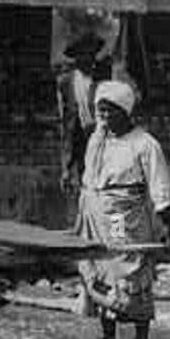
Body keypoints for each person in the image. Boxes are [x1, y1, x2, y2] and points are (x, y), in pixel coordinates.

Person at [74, 80, 170, 339]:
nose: (103, 115)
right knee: (99, 272)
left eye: (109, 109)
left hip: (122, 219)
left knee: (125, 271)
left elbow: (161, 189)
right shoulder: (97, 139)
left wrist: (169, 229)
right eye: (100, 109)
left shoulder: (144, 144)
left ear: (125, 111)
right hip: (95, 217)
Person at [57, 32, 106, 214]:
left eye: (92, 53)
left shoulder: (102, 79)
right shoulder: (66, 82)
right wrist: (65, 166)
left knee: (108, 191)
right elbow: (65, 121)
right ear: (76, 57)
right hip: (79, 139)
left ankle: (116, 234)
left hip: (101, 140)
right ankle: (85, 231)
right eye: (84, 54)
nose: (89, 58)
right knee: (84, 190)